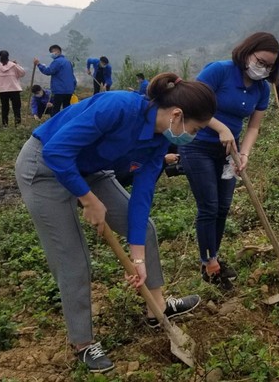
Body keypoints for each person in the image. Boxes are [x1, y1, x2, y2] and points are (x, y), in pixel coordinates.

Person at [14, 73, 216, 373]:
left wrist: (137, 259)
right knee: (74, 259)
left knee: (144, 230)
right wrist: (88, 199)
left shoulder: (159, 142)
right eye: (196, 129)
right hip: (45, 166)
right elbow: (57, 150)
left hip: (89, 167)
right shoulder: (118, 106)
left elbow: (141, 197)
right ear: (177, 115)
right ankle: (83, 344)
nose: (194, 136)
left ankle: (155, 309)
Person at [179, 32, 279, 290]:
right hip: (198, 146)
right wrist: (220, 127)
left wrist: (244, 153)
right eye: (261, 61)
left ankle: (213, 255)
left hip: (229, 154)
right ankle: (208, 263)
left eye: (270, 66)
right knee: (209, 206)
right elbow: (190, 102)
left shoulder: (262, 88)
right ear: (247, 53)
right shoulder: (220, 71)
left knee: (223, 206)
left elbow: (254, 127)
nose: (264, 69)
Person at [34, 45, 76, 115]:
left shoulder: (57, 62)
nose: (52, 54)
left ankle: (55, 124)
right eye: (51, 52)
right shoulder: (68, 62)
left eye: (52, 52)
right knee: (66, 108)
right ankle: (65, 123)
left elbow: (48, 71)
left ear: (58, 51)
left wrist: (39, 64)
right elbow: (72, 77)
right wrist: (73, 87)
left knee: (56, 109)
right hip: (69, 90)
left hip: (59, 90)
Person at [0, 50, 25, 127]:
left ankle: (5, 125)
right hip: (14, 89)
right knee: (16, 108)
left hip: (2, 90)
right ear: (8, 56)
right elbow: (22, 73)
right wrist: (17, 64)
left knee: (4, 107)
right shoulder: (13, 65)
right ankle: (18, 125)